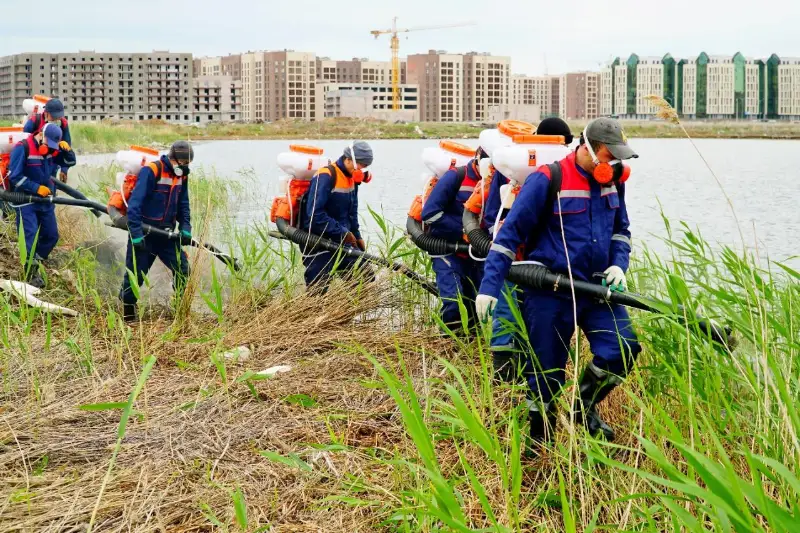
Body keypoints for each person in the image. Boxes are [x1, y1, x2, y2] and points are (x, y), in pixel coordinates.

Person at [476, 117, 641, 446]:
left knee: (622, 349)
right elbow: (509, 236)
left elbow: (621, 231)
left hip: (596, 290)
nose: (614, 163)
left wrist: (619, 266)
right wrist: (489, 288)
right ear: (589, 149)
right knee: (546, 373)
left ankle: (583, 408)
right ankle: (540, 442)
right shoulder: (548, 179)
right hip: (550, 291)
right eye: (610, 155)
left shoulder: (613, 182)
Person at [484, 118, 574, 382]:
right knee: (507, 311)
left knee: (532, 319)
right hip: (513, 258)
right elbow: (494, 215)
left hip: (544, 266)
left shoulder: (562, 172)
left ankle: (526, 376)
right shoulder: (514, 166)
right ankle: (502, 377)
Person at [119, 141, 194, 321]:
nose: (184, 167)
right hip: (145, 233)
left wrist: (185, 227)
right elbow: (135, 205)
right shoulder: (151, 171)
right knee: (135, 274)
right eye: (183, 163)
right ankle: (128, 313)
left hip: (167, 235)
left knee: (183, 269)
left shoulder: (182, 176)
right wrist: (136, 234)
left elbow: (183, 204)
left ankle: (178, 307)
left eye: (188, 164)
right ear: (173, 159)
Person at [420, 147, 488, 332]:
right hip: (447, 249)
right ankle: (448, 346)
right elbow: (430, 214)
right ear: (479, 159)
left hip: (477, 254)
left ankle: (473, 349)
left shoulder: (494, 180)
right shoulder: (456, 177)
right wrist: (462, 230)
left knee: (478, 303)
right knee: (454, 302)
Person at [301, 141, 374, 293]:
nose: (362, 170)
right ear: (348, 160)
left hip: (343, 240)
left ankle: (346, 315)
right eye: (360, 165)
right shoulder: (326, 176)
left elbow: (351, 213)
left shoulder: (352, 180)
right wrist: (342, 232)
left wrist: (357, 236)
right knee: (318, 291)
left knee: (365, 277)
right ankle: (313, 315)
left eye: (365, 166)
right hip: (318, 241)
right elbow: (314, 216)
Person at [6, 123, 64, 288]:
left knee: (52, 235)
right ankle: (30, 273)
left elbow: (68, 161)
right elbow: (15, 177)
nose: (51, 149)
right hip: (26, 201)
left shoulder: (51, 150)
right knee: (29, 236)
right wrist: (36, 188)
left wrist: (67, 151)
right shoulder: (22, 148)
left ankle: (36, 259)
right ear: (41, 135)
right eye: (49, 144)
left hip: (44, 201)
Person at [24, 99, 73, 183]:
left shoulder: (63, 123)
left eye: (58, 117)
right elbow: (24, 143)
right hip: (35, 161)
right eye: (53, 117)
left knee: (51, 184)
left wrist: (64, 169)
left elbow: (67, 148)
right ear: (46, 113)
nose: (56, 119)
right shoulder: (35, 121)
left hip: (53, 160)